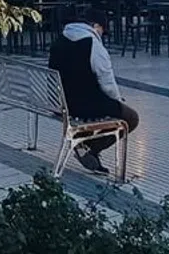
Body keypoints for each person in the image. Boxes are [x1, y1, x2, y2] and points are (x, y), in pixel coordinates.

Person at [48, 18, 138, 174]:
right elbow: (106, 81)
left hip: (60, 102)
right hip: (84, 104)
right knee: (131, 118)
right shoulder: (92, 43)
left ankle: (84, 144)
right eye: (102, 30)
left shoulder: (60, 40)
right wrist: (117, 99)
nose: (101, 35)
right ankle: (89, 147)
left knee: (108, 109)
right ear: (96, 26)